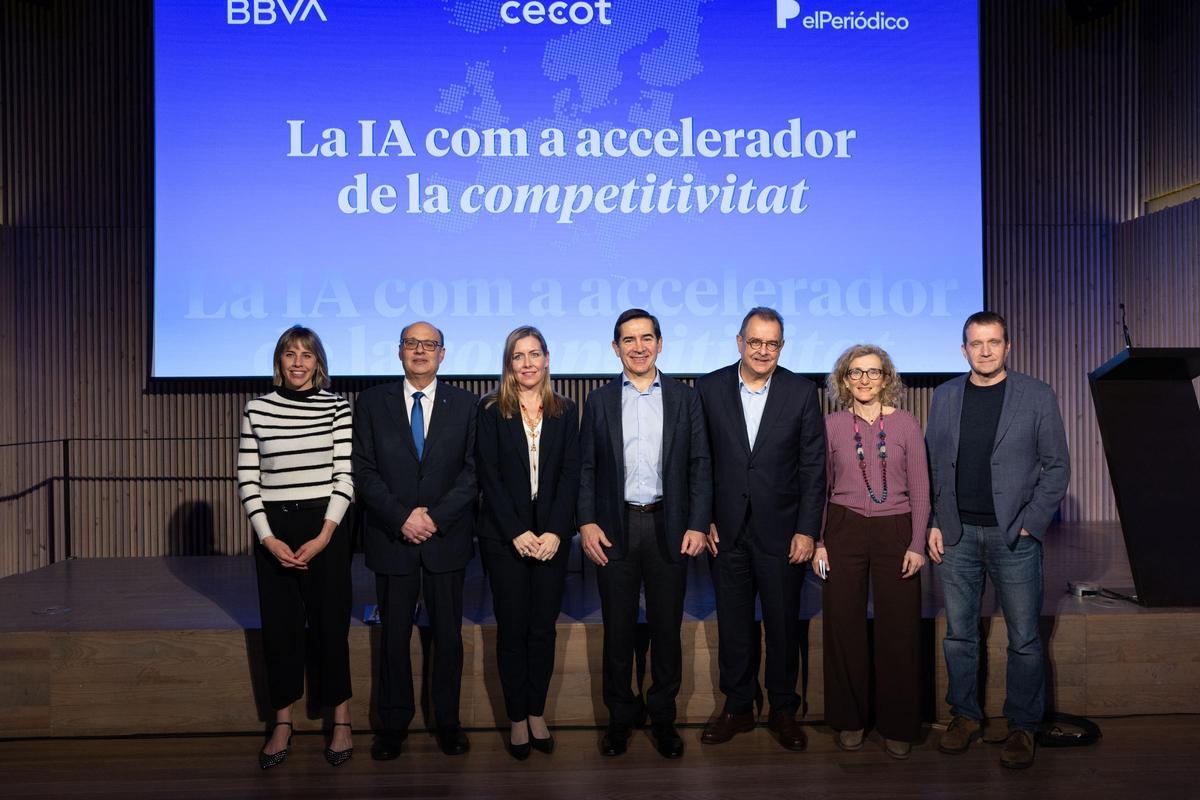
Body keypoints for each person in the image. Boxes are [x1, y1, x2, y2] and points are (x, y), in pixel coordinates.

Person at [926, 311, 1070, 769]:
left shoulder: (1037, 395)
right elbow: (933, 466)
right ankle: (965, 717)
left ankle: (1022, 727)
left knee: (1025, 638)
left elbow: (1057, 466)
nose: (985, 350)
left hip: (1014, 537)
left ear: (1008, 346)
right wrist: (933, 519)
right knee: (959, 635)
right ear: (963, 348)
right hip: (957, 533)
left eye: (993, 342)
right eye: (976, 343)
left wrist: (1030, 523)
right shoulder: (946, 395)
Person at [577, 308, 712, 759]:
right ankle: (620, 718)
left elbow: (699, 464)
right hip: (614, 528)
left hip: (668, 526)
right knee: (616, 631)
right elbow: (587, 469)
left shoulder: (683, 397)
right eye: (629, 340)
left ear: (659, 343)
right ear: (616, 348)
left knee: (666, 631)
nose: (639, 347)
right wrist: (586, 521)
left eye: (646, 338)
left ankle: (663, 719)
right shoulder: (597, 401)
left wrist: (696, 521)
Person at [696, 307, 826, 752]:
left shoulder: (802, 392)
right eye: (755, 342)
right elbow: (702, 462)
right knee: (734, 626)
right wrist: (705, 517)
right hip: (726, 531)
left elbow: (813, 467)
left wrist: (808, 530)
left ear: (782, 347)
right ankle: (738, 706)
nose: (763, 350)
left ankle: (784, 709)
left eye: (772, 343)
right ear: (739, 342)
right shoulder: (709, 388)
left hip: (783, 534)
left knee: (783, 625)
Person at [352, 321, 479, 759]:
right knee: (393, 639)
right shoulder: (371, 403)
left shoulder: (466, 405)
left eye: (429, 345)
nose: (420, 351)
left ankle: (448, 722)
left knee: (448, 638)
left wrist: (435, 518)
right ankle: (393, 725)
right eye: (412, 344)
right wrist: (402, 516)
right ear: (398, 352)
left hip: (446, 540)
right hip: (393, 537)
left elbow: (472, 473)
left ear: (443, 354)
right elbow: (362, 471)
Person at [236, 325, 355, 769]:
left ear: (318, 362)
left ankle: (340, 718)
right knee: (281, 629)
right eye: (290, 354)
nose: (299, 362)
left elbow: (344, 477)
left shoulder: (337, 408)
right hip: (275, 529)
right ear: (279, 362)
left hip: (327, 526)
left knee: (330, 626)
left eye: (307, 354)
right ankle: (281, 721)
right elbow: (249, 479)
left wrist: (325, 535)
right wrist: (267, 537)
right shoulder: (257, 410)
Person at [813, 344, 929, 759]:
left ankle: (898, 723)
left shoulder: (906, 426)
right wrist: (820, 540)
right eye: (855, 372)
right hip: (842, 529)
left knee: (898, 628)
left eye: (873, 372)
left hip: (896, 530)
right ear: (843, 380)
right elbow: (820, 488)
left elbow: (920, 489)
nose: (864, 380)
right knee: (843, 625)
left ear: (887, 378)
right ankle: (850, 719)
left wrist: (917, 543)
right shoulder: (829, 426)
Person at [476, 326, 580, 760]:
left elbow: (570, 476)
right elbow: (489, 477)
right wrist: (516, 531)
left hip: (552, 540)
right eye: (518, 356)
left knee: (542, 630)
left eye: (534, 354)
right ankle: (517, 716)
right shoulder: (489, 410)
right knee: (513, 631)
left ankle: (537, 711)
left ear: (548, 358)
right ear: (509, 363)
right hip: (506, 539)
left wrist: (557, 531)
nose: (527, 363)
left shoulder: (566, 411)